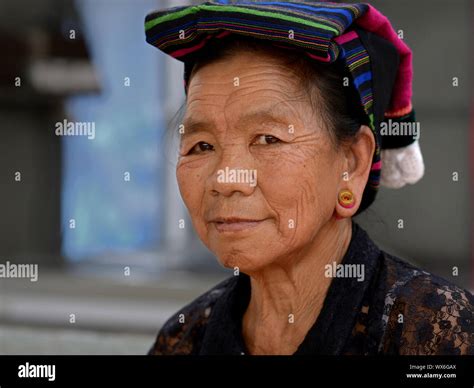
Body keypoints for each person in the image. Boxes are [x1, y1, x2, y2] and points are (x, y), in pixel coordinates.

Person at [143, 1, 474, 355]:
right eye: (202, 145)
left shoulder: (437, 333)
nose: (226, 178)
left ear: (353, 162)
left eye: (269, 139)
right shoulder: (184, 339)